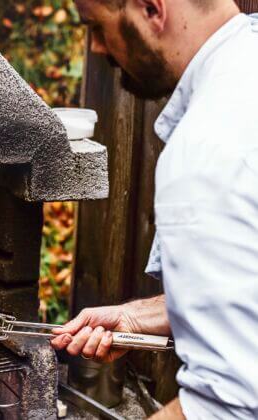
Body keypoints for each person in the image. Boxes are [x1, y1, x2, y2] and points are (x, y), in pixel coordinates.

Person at [50, 0, 258, 418]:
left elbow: (227, 405)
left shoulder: (205, 151)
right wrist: (140, 315)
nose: (96, 48)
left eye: (95, 27)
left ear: (150, 8)